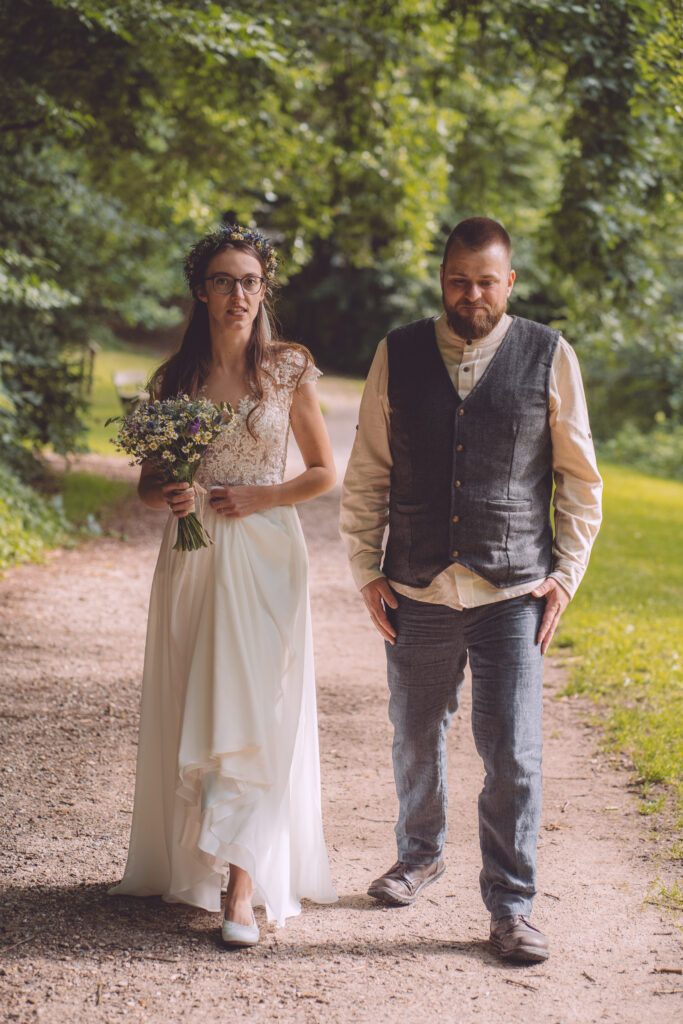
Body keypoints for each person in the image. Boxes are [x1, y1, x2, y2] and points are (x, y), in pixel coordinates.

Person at [339, 217, 602, 963]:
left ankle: (511, 907)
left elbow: (580, 480)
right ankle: (418, 856)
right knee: (416, 735)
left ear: (508, 282)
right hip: (417, 587)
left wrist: (565, 576)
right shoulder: (397, 352)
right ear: (441, 278)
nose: (471, 294)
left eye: (486, 281)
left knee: (513, 754)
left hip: (512, 590)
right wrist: (365, 568)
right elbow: (368, 469)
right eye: (458, 279)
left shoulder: (549, 354)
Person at [110, 224, 337, 946]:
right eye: (222, 281)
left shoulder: (288, 370)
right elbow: (149, 486)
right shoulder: (174, 381)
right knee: (200, 700)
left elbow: (322, 472)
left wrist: (260, 499)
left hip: (267, 551)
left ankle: (243, 888)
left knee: (256, 705)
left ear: (263, 289)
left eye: (249, 281)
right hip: (195, 552)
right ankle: (200, 862)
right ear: (200, 292)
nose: (237, 294)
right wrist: (172, 495)